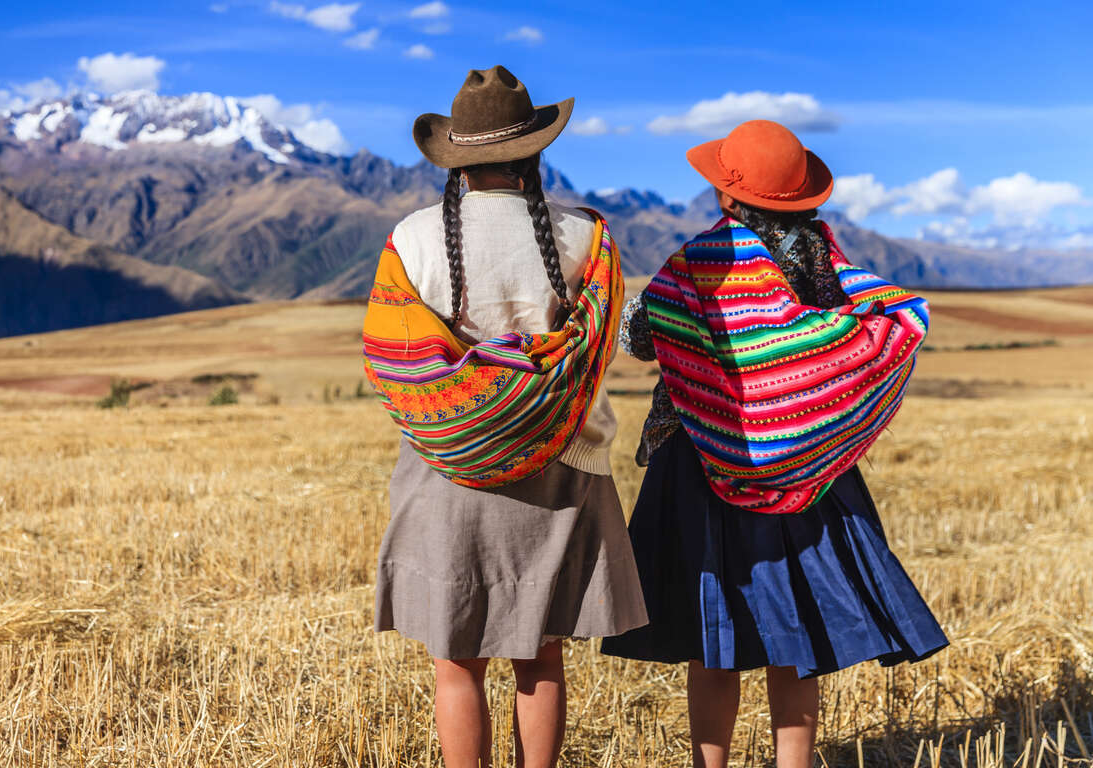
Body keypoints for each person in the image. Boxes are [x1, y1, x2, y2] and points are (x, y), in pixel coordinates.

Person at [600, 119, 949, 768]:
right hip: (810, 474)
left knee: (715, 643)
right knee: (796, 638)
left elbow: (643, 338)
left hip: (699, 470)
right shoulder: (829, 265)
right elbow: (872, 329)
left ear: (726, 197)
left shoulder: (697, 263)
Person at [361, 65, 646, 768]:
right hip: (562, 468)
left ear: (455, 159)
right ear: (535, 152)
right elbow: (604, 344)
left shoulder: (412, 238)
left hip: (445, 471)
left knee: (456, 661)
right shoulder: (584, 239)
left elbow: (389, 356)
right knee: (541, 656)